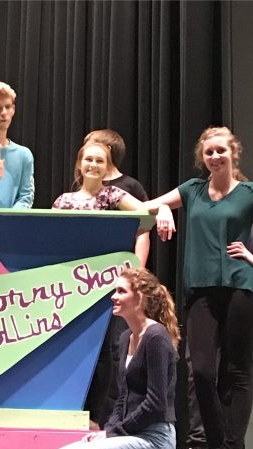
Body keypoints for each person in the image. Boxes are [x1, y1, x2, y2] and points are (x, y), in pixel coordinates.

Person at [144, 126, 253, 449]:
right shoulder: (193, 190)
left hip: (241, 288)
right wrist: (164, 212)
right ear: (203, 157)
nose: (215, 157)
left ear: (234, 153)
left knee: (236, 371)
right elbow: (143, 206)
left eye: (221, 151)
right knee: (200, 370)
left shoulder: (249, 192)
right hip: (201, 290)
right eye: (209, 152)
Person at [51, 267, 182, 449]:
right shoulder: (125, 338)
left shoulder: (156, 337)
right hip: (131, 435)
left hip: (156, 438)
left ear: (140, 298)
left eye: (121, 291)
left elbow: (156, 403)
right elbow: (122, 397)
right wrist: (109, 430)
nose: (114, 296)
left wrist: (115, 432)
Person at [171, 221, 253, 449]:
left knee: (233, 374)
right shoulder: (205, 229)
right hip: (208, 307)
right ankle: (202, 448)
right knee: (200, 373)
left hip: (241, 306)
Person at [52, 141, 146, 429]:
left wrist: (164, 211)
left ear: (107, 168)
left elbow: (145, 214)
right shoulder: (63, 200)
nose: (93, 165)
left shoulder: (113, 195)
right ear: (80, 164)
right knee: (70, 348)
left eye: (100, 161)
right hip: (69, 284)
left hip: (104, 284)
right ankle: (68, 411)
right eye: (89, 159)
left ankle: (98, 417)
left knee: (106, 351)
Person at [80, 129, 150, 264]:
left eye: (91, 144)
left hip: (119, 262)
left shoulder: (130, 186)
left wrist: (138, 268)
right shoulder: (88, 184)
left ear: (107, 149)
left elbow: (143, 231)